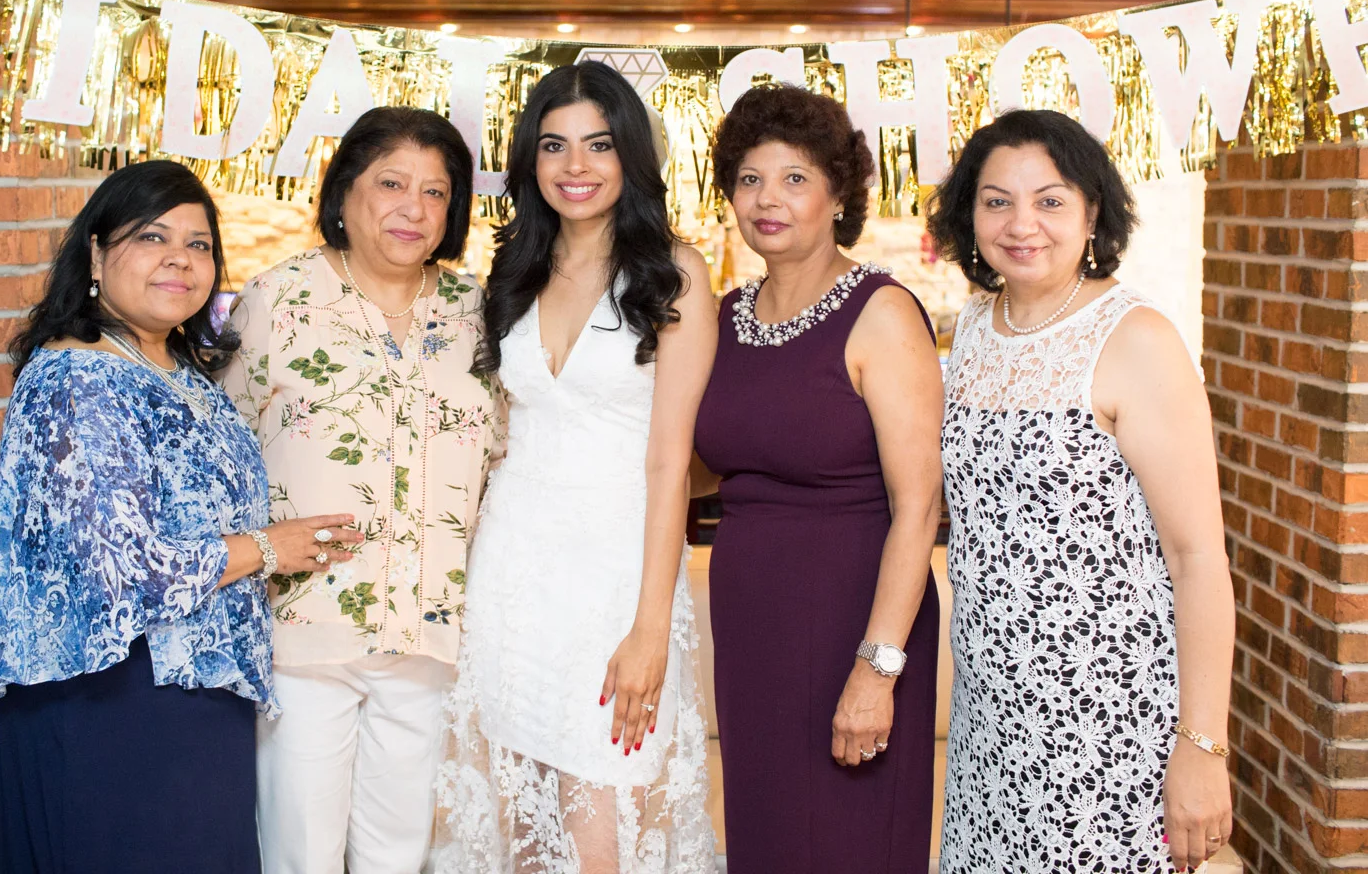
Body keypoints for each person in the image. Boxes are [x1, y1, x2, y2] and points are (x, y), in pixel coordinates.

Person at [0, 160, 360, 874]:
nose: (180, 259)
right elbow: (125, 568)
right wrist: (268, 549)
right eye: (152, 237)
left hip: (189, 695)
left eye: (198, 244)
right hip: (113, 699)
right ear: (96, 254)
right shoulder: (79, 377)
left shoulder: (178, 371)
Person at [926, 108, 1235, 874]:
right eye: (997, 201)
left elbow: (1198, 558)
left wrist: (1202, 746)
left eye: (1050, 200)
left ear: (1092, 212)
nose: (1021, 223)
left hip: (1107, 724)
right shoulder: (975, 326)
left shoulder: (1136, 339)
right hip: (990, 719)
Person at [434, 61, 718, 873]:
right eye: (554, 145)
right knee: (522, 826)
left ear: (631, 154)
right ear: (531, 160)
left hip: (616, 575)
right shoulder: (511, 272)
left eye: (599, 144)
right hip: (511, 571)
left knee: (602, 828)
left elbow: (670, 463)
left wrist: (650, 626)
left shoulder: (673, 273)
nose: (576, 165)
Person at [221, 105, 503, 874]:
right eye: (391, 184)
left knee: (399, 857)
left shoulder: (477, 312)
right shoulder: (278, 299)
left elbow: (504, 452)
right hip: (305, 634)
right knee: (300, 856)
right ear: (345, 190)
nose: (414, 208)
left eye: (436, 192)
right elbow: (224, 450)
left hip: (432, 635)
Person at [687, 85, 943, 873]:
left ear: (838, 196)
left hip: (853, 621)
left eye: (795, 178)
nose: (768, 199)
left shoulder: (882, 314)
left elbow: (919, 506)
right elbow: (699, 467)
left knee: (846, 843)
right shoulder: (725, 317)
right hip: (751, 622)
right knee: (766, 841)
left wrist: (878, 667)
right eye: (750, 179)